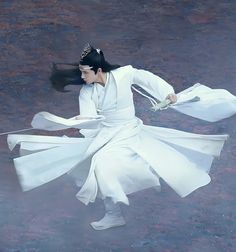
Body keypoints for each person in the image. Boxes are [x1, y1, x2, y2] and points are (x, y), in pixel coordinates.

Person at [7, 44, 236, 230]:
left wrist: (167, 93)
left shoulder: (124, 74)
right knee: (100, 165)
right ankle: (115, 213)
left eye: (86, 72)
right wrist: (77, 121)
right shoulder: (88, 92)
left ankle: (124, 202)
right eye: (82, 72)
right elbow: (89, 118)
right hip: (107, 134)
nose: (83, 76)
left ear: (98, 70)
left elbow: (146, 78)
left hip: (130, 130)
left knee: (113, 164)